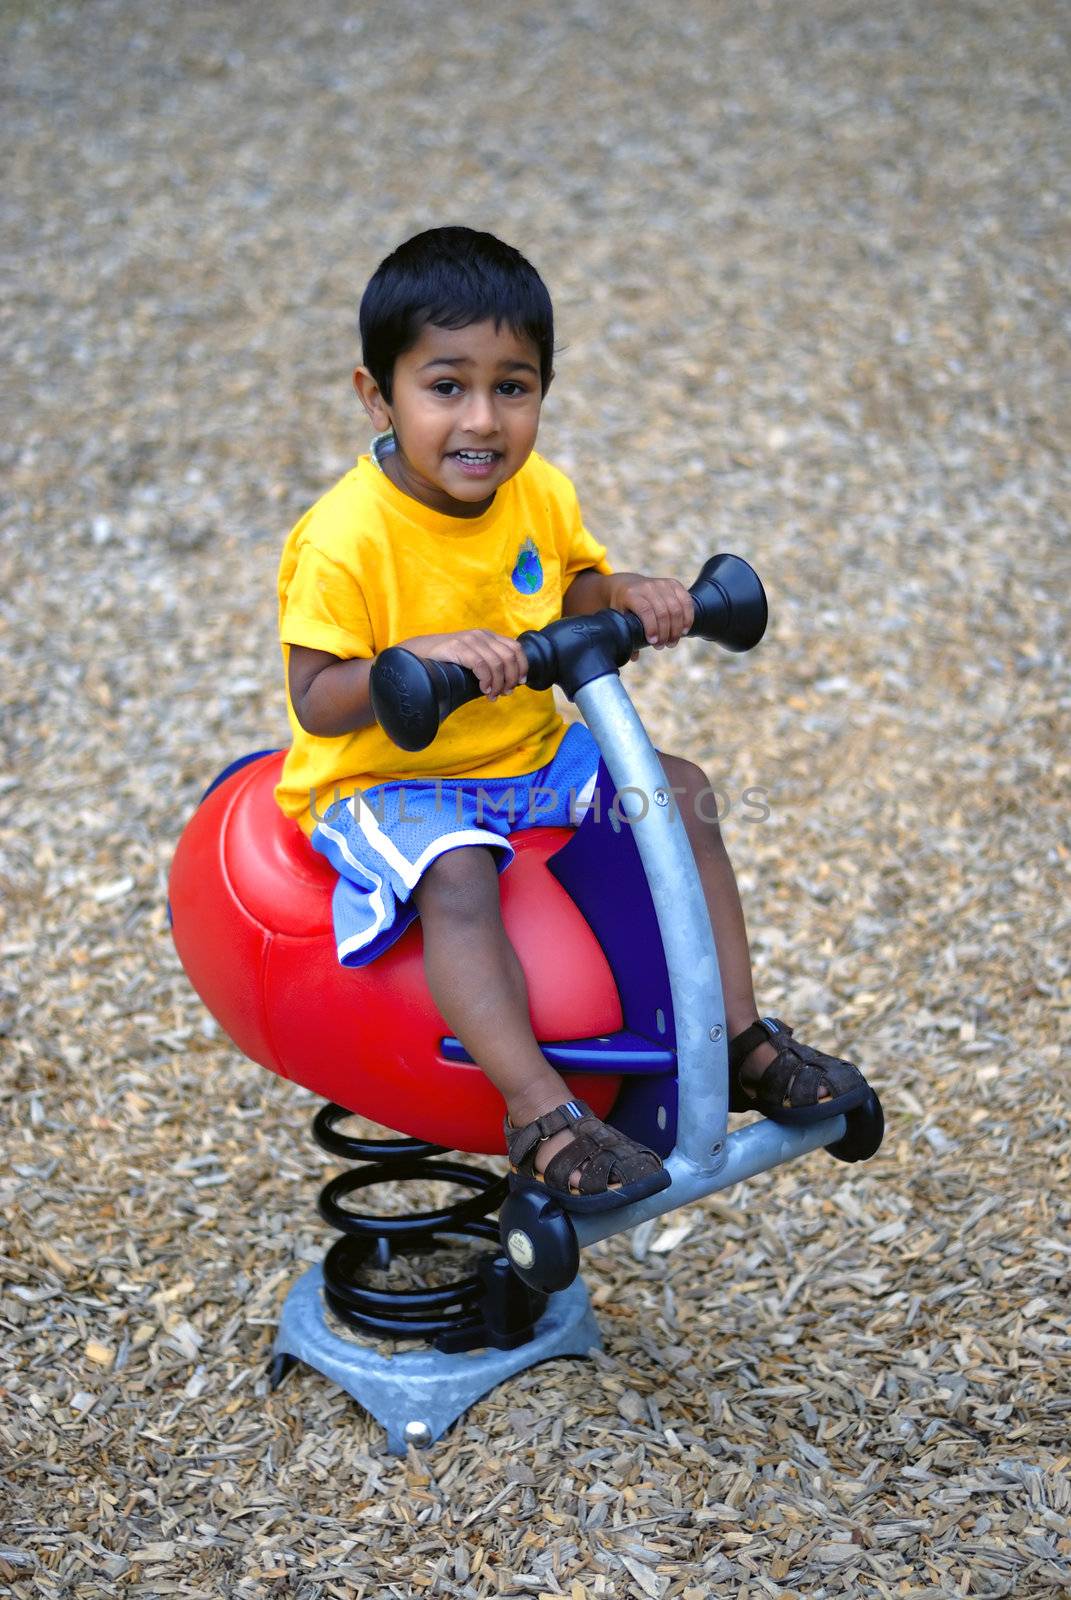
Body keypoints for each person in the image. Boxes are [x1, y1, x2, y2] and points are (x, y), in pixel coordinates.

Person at [275, 226, 871, 1215]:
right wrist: (412, 661)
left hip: (529, 754)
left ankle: (738, 1034)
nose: (483, 419)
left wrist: (632, 593)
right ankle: (540, 1113)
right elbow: (317, 697)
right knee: (457, 875)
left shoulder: (539, 493)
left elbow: (577, 590)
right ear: (377, 395)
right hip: (381, 779)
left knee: (678, 791)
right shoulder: (345, 536)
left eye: (514, 387)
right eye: (446, 386)